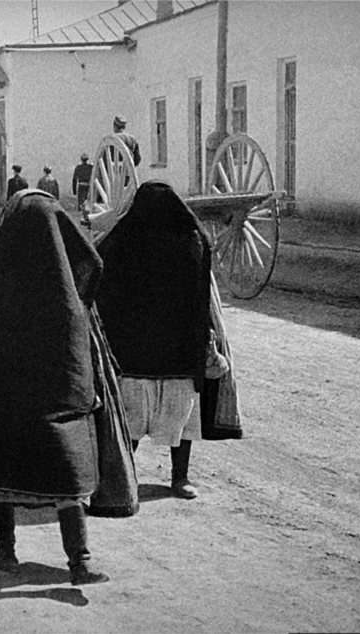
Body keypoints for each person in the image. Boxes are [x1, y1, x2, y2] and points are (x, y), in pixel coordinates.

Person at [0, 189, 136, 585]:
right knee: (68, 481)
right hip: (57, 407)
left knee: (3, 477)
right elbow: (81, 349)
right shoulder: (68, 284)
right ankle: (79, 563)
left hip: (1, 404)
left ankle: (6, 552)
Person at [93, 180, 241, 500]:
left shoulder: (129, 238)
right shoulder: (189, 237)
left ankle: (131, 477)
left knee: (142, 419)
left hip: (156, 352)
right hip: (159, 353)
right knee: (173, 419)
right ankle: (175, 478)